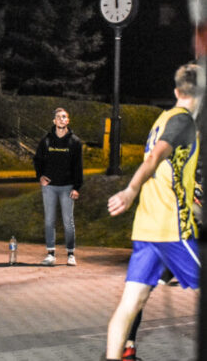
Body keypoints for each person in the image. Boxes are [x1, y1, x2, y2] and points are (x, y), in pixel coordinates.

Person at [105, 63, 203, 361]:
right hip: (172, 228)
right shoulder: (182, 122)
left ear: (176, 91)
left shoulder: (163, 118)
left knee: (130, 304)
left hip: (147, 229)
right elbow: (154, 159)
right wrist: (131, 190)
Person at [34, 107, 83, 266]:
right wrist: (40, 176)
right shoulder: (46, 140)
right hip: (49, 187)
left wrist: (76, 187)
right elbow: (37, 160)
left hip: (67, 187)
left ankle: (70, 254)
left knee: (68, 221)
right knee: (49, 220)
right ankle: (50, 254)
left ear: (68, 120)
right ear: (54, 121)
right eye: (59, 117)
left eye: (64, 117)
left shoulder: (75, 142)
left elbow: (78, 166)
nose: (62, 119)